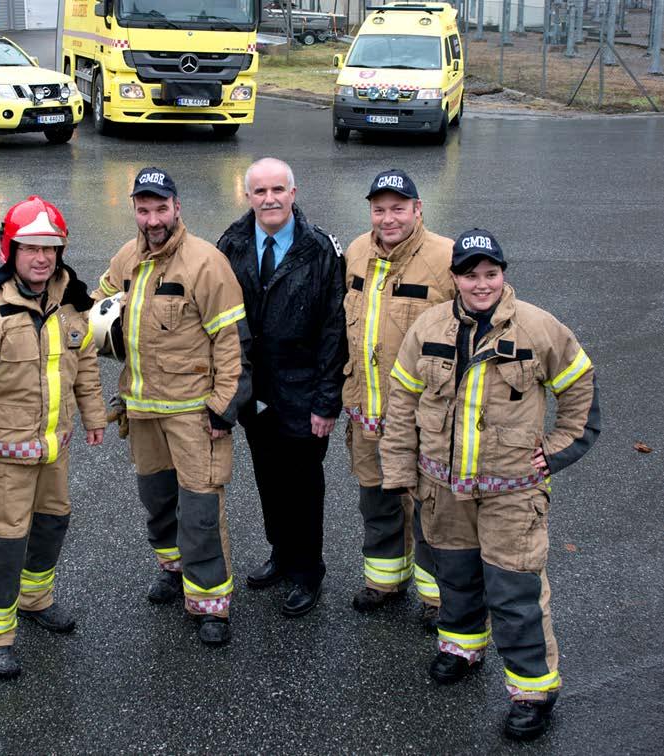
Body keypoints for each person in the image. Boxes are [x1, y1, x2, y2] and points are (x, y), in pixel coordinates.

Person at [380, 229, 600, 740]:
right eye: (470, 274)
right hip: (443, 490)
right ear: (454, 277)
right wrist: (398, 471)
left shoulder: (539, 328)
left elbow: (580, 390)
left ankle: (532, 691)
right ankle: (461, 646)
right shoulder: (429, 326)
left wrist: (556, 450)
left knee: (515, 594)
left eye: (491, 274)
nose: (481, 285)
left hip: (512, 494)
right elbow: (401, 403)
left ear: (504, 274)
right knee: (455, 578)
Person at [0, 196, 106, 678]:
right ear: (9, 251)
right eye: (31, 248)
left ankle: (36, 599)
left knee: (52, 527)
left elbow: (86, 365)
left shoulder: (71, 304)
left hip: (54, 452)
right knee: (3, 544)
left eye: (51, 249)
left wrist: (94, 415)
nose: (42, 258)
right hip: (3, 461)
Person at [96, 167, 251, 646]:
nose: (152, 219)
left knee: (201, 507)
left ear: (177, 207)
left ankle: (210, 602)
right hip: (142, 410)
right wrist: (105, 317)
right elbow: (101, 299)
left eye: (160, 208)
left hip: (192, 412)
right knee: (158, 503)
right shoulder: (128, 256)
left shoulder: (205, 262)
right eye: (143, 210)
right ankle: (173, 568)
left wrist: (225, 408)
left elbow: (232, 342)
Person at [216, 157, 348, 617]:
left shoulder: (321, 251)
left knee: (304, 485)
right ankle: (281, 553)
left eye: (278, 190)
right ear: (248, 197)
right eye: (260, 192)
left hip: (305, 393)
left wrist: (327, 401)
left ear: (294, 193)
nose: (269, 199)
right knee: (268, 480)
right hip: (255, 394)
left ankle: (308, 570)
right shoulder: (230, 244)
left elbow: (335, 331)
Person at [342, 169, 455, 627]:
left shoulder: (447, 258)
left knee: (432, 508)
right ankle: (385, 580)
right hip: (367, 409)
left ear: (418, 208)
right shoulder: (355, 251)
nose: (388, 218)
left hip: (423, 418)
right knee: (377, 500)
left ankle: (438, 598)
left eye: (398, 208)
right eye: (379, 209)